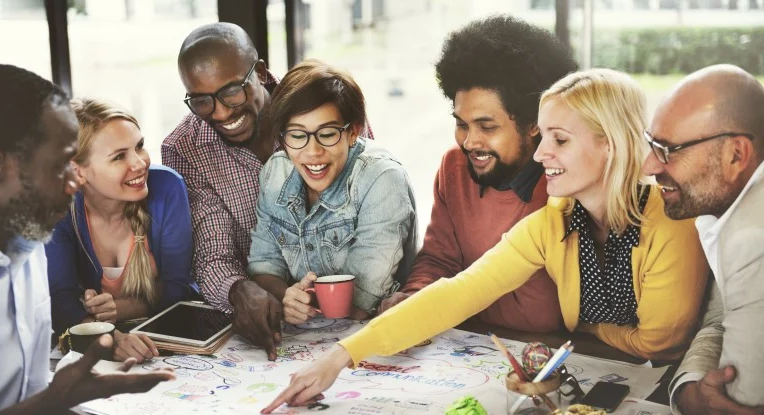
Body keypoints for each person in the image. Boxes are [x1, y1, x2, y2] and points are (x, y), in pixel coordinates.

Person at [261, 68, 711, 412]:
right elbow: (459, 292)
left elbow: (658, 343)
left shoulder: (670, 218)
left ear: (609, 144)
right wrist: (340, 356)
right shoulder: (555, 220)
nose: (540, 154)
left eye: (559, 138)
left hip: (667, 391)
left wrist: (584, 329)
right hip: (602, 377)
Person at [0, 64, 173, 415]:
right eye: (61, 165)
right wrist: (54, 402)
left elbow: (30, 394)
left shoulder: (28, 247)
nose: (76, 184)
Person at [162, 23, 374, 360]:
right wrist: (238, 290)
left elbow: (372, 212)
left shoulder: (327, 100)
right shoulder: (185, 148)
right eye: (201, 101)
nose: (220, 112)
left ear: (259, 72)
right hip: (270, 322)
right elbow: (212, 253)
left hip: (358, 306)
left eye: (232, 91)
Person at [377, 15, 577, 332]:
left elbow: (557, 310)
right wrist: (415, 296)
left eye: (487, 126)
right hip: (470, 348)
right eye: (461, 124)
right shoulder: (454, 168)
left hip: (550, 353)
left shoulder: (565, 183)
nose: (470, 142)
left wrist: (446, 302)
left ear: (534, 123)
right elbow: (440, 260)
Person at [247, 59, 416, 323]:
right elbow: (263, 267)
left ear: (353, 132)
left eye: (327, 134)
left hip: (372, 330)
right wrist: (288, 297)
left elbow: (361, 300)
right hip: (307, 334)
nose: (313, 152)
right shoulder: (274, 173)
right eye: (297, 135)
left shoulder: (381, 178)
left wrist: (304, 303)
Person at [641, 65, 764, 415]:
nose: (649, 165)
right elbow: (719, 320)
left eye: (667, 149)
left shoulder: (753, 237)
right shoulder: (718, 203)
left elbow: (737, 403)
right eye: (651, 144)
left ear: (736, 156)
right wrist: (690, 389)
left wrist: (694, 400)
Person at [45, 97, 195, 362]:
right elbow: (60, 300)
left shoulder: (168, 187)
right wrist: (110, 339)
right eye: (119, 157)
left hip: (166, 340)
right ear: (77, 172)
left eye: (140, 146)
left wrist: (120, 309)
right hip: (95, 348)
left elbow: (177, 289)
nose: (140, 163)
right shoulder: (57, 208)